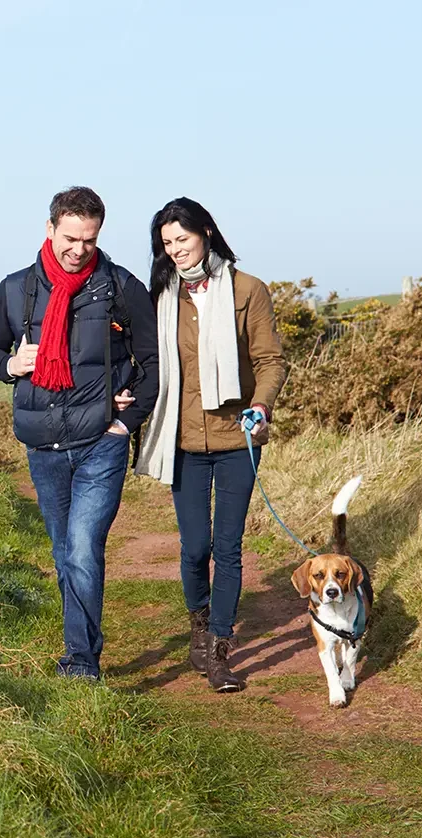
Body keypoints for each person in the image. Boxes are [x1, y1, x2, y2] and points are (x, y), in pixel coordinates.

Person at [0, 186, 159, 681]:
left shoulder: (119, 286)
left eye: (89, 240)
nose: (79, 249)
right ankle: (82, 644)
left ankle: (81, 660)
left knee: (81, 547)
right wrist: (13, 363)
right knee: (63, 553)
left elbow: (154, 361)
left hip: (101, 443)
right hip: (44, 448)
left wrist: (126, 419)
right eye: (70, 238)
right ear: (50, 229)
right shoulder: (15, 290)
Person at [135, 197, 288, 692]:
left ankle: (221, 649)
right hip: (181, 441)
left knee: (229, 547)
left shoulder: (248, 290)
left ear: (205, 232)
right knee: (195, 546)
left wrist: (261, 406)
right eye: (167, 243)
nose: (176, 250)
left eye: (183, 239)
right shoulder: (161, 296)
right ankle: (198, 625)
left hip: (236, 437)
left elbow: (270, 361)